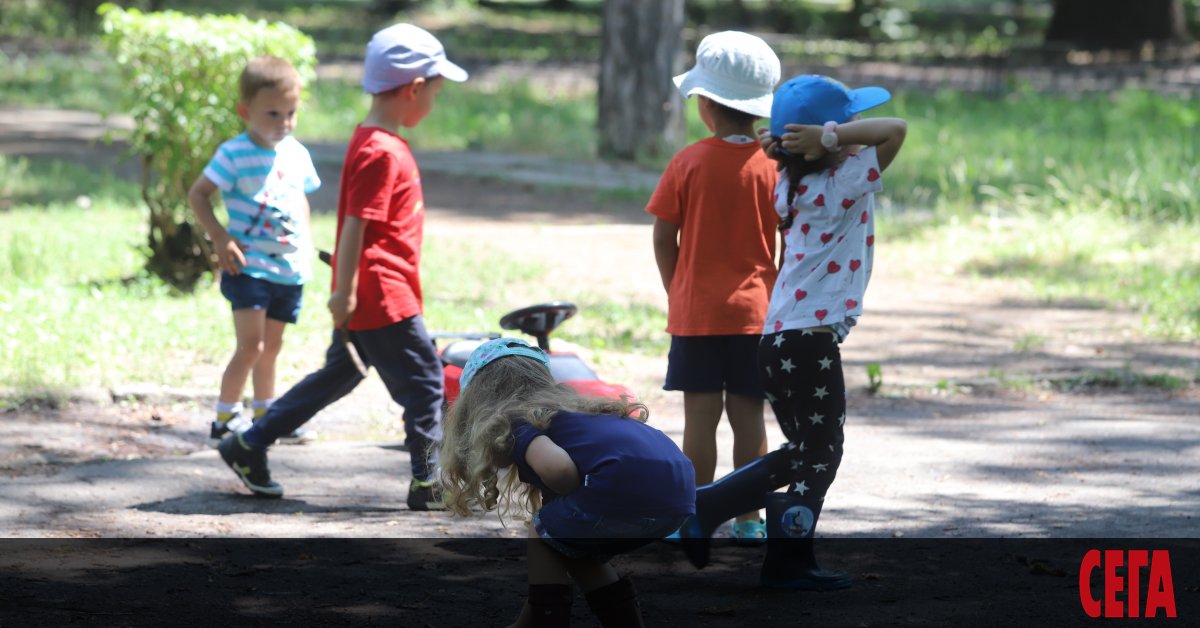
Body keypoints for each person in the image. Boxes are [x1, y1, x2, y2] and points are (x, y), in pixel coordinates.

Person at [217, 24, 467, 510]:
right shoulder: (381, 151)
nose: (434, 104)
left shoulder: (372, 140)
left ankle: (248, 444)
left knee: (340, 374)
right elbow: (355, 224)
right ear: (413, 89)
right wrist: (346, 293)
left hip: (370, 288)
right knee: (425, 383)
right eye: (434, 93)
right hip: (380, 291)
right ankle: (428, 482)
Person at [679, 74, 907, 589]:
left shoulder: (791, 184)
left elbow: (872, 133)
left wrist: (805, 142)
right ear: (826, 135)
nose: (853, 132)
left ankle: (708, 505)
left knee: (806, 448)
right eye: (845, 125)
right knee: (822, 453)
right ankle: (787, 562)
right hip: (810, 341)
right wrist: (830, 137)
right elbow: (895, 129)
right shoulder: (843, 183)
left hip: (776, 340)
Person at [438, 338, 695, 628]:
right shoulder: (576, 414)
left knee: (542, 532)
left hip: (620, 484)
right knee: (569, 546)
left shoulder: (517, 422)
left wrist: (566, 487)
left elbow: (558, 469)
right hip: (680, 491)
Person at [645, 31, 781, 542]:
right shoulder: (774, 166)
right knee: (749, 418)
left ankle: (692, 516)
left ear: (704, 104)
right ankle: (750, 520)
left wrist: (677, 288)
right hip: (757, 313)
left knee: (699, 418)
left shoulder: (689, 161)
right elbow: (791, 237)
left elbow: (663, 235)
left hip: (698, 313)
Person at [189, 55, 321, 449]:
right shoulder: (233, 154)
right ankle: (225, 417)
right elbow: (198, 194)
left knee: (273, 346)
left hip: (287, 269)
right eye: (273, 114)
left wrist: (307, 243)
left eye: (291, 112)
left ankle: (268, 416)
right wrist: (219, 236)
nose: (284, 122)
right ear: (246, 111)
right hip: (248, 267)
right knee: (252, 345)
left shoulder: (296, 152)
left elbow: (301, 200)